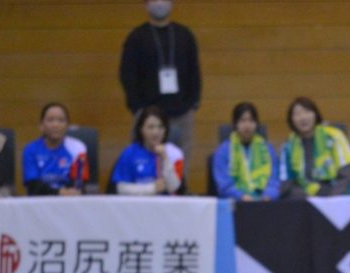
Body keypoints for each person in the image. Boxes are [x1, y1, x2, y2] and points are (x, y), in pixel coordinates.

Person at [118, 0, 201, 162]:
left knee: (179, 164)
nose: (160, 3)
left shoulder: (185, 35)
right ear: (145, 4)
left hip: (182, 113)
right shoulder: (136, 37)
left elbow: (195, 70)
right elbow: (127, 74)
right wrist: (138, 109)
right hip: (147, 113)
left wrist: (193, 103)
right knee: (142, 162)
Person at [279, 96, 350, 199]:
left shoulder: (334, 136)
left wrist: (330, 201)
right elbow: (286, 183)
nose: (303, 117)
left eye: (307, 112)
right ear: (291, 120)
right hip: (305, 200)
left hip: (339, 196)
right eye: (297, 114)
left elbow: (345, 175)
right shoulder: (288, 146)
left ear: (316, 114)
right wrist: (309, 200)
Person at [211, 101, 279, 201]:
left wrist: (267, 196)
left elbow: (274, 181)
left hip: (264, 202)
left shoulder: (267, 150)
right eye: (242, 120)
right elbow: (223, 185)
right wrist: (242, 197)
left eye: (251, 120)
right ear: (235, 124)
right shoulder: (223, 151)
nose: (247, 125)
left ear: (256, 124)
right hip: (235, 203)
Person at [109, 106, 184, 195]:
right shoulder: (130, 153)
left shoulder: (173, 153)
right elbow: (121, 188)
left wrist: (165, 157)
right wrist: (152, 188)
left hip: (164, 203)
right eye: (150, 127)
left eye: (160, 127)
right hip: (137, 203)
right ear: (141, 129)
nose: (156, 132)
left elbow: (173, 187)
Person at [22, 102, 89, 196]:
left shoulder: (77, 148)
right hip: (40, 200)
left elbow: (79, 184)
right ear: (41, 126)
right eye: (50, 120)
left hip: (69, 200)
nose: (56, 125)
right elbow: (33, 185)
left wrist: (72, 192)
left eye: (61, 120)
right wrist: (59, 193)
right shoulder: (31, 150)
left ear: (67, 125)